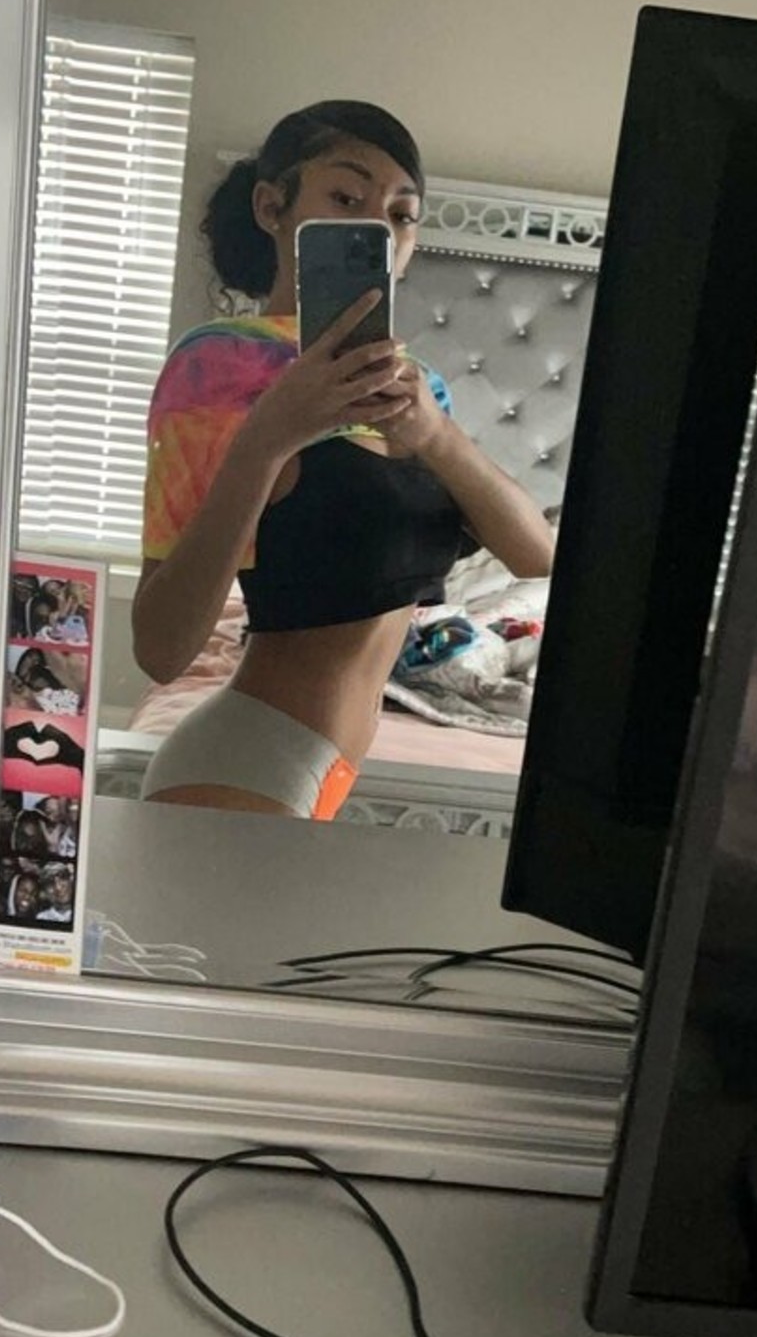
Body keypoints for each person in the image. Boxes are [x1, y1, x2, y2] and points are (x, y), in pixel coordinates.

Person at [133, 99, 555, 819]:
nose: (379, 230)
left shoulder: (416, 390)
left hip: (328, 771)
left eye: (401, 214)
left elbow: (537, 557)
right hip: (243, 761)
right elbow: (162, 649)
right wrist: (268, 436)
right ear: (272, 207)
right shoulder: (217, 369)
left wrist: (436, 435)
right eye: (346, 199)